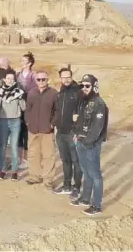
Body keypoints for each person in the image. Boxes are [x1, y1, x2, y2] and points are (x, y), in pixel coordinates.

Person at [71, 74, 109, 216]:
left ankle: (97, 205)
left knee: (95, 174)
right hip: (80, 141)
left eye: (87, 86)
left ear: (94, 86)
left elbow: (97, 127)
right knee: (85, 171)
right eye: (82, 85)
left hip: (91, 144)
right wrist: (76, 134)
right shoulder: (84, 101)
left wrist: (87, 142)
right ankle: (85, 198)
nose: (84, 88)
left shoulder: (99, 103)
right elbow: (80, 120)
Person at [24, 71, 58, 189]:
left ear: (47, 80)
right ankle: (34, 176)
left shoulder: (54, 93)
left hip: (47, 130)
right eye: (38, 79)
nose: (41, 82)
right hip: (33, 129)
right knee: (33, 154)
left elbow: (57, 111)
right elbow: (27, 109)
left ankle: (48, 179)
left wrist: (52, 124)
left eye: (43, 79)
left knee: (49, 155)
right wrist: (28, 122)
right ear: (35, 81)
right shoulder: (31, 93)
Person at [0, 70, 25, 181]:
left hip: (15, 121)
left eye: (12, 78)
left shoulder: (19, 92)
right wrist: (0, 97)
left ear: (15, 80)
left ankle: (14, 171)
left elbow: (24, 108)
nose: (10, 80)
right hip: (3, 121)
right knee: (2, 146)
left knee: (14, 146)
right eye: (8, 78)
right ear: (5, 80)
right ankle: (3, 170)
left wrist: (21, 98)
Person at [53, 66, 82, 198]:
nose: (66, 79)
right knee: (65, 161)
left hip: (72, 133)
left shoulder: (78, 92)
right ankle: (66, 186)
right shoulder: (61, 91)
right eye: (63, 77)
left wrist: (78, 128)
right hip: (61, 132)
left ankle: (77, 188)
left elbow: (83, 111)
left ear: (72, 77)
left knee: (76, 161)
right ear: (60, 78)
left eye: (68, 77)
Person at [16, 51, 37, 169]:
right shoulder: (17, 75)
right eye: (21, 61)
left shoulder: (33, 76)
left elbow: (34, 92)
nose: (22, 63)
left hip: (29, 108)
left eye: (24, 61)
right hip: (18, 108)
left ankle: (26, 159)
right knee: (18, 132)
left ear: (29, 64)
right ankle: (19, 159)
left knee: (27, 134)